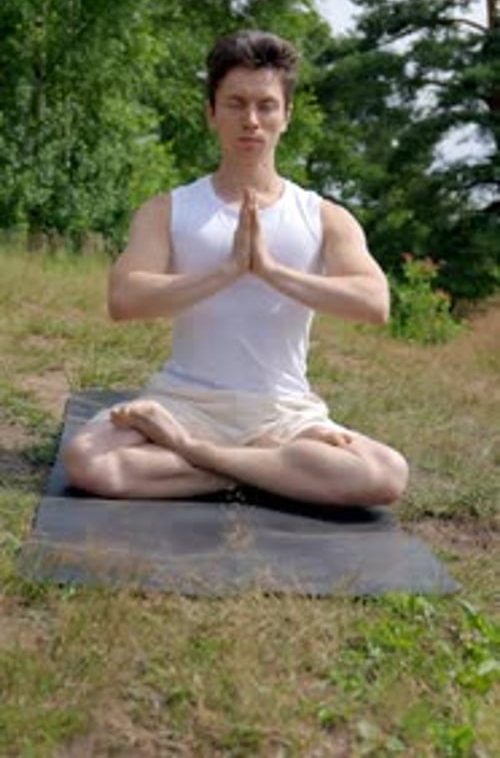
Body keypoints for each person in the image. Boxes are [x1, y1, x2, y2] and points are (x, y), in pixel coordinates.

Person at [62, 29, 409, 506]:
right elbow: (124, 299)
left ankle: (198, 455)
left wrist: (269, 270)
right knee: (88, 462)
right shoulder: (168, 209)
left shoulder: (324, 216)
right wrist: (226, 270)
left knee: (384, 474)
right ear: (211, 113)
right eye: (235, 103)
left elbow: (375, 304)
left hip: (283, 413)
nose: (251, 120)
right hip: (183, 402)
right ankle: (266, 470)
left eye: (266, 105)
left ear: (286, 115)